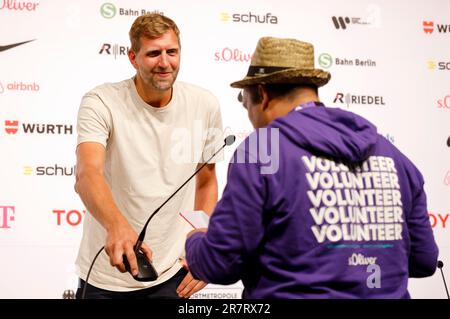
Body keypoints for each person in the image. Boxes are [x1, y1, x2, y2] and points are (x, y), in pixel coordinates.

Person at [184, 37, 439, 298]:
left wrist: (194, 242)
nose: (247, 110)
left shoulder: (262, 150)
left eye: (244, 99)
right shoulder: (393, 156)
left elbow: (220, 265)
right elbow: (424, 260)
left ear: (262, 93)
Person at [74, 13, 223, 299]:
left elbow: (206, 181)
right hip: (106, 275)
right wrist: (117, 226)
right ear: (133, 57)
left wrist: (202, 243)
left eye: (172, 52)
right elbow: (87, 173)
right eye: (153, 53)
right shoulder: (100, 101)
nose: (165, 62)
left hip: (171, 273)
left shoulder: (205, 104)